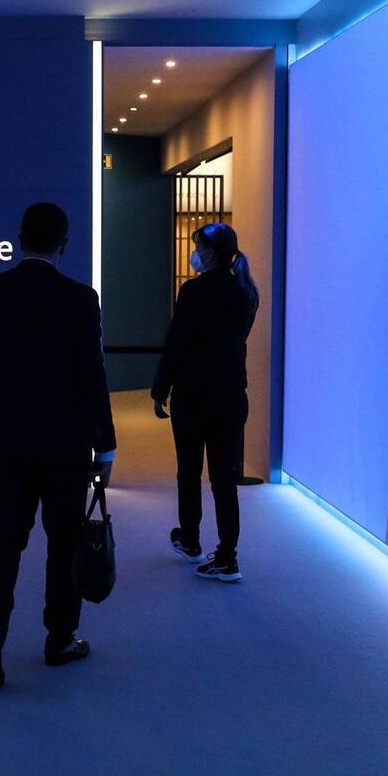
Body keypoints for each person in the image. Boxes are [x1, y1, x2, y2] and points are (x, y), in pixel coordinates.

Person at [0, 203, 116, 687]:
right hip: (64, 444)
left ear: (19, 239)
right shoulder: (80, 299)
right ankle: (60, 639)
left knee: (3, 540)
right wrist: (105, 446)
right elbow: (92, 377)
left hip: (3, 442)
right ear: (65, 244)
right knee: (63, 543)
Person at [152, 222, 259, 584]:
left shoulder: (193, 291)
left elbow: (177, 342)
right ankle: (227, 557)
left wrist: (160, 388)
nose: (195, 253)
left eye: (198, 247)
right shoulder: (246, 292)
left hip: (193, 394)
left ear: (210, 253)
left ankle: (190, 540)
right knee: (223, 480)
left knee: (189, 471)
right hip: (231, 395)